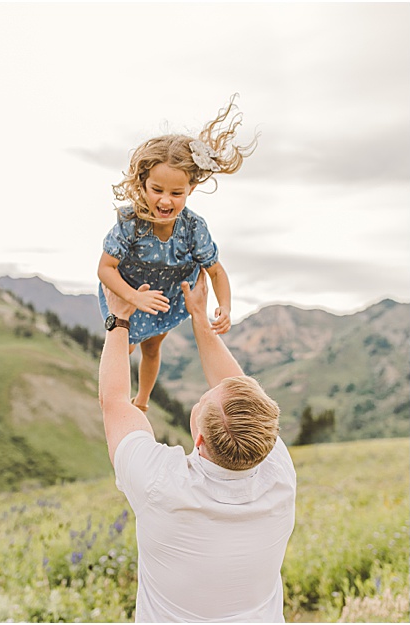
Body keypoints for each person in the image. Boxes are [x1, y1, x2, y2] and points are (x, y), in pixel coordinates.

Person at [98, 271, 296, 622]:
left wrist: (119, 317)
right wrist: (199, 318)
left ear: (199, 438)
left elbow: (115, 403)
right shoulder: (278, 473)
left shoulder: (160, 482)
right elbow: (235, 386)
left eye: (204, 401)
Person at [97, 94, 258, 412]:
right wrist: (133, 298)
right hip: (130, 291)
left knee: (153, 348)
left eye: (176, 192)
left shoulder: (193, 227)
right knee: (123, 345)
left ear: (191, 190)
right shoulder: (130, 222)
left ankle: (141, 400)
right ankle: (113, 402)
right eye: (157, 190)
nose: (166, 200)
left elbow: (215, 271)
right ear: (142, 185)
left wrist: (224, 305)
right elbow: (105, 268)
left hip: (168, 297)